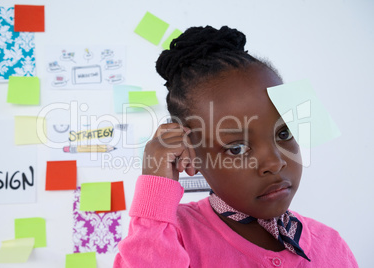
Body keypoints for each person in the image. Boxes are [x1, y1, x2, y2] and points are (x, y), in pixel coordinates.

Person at [113, 26, 358, 267]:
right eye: (237, 148)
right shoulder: (170, 236)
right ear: (191, 156)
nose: (274, 163)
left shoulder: (332, 246)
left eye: (284, 133)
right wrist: (155, 191)